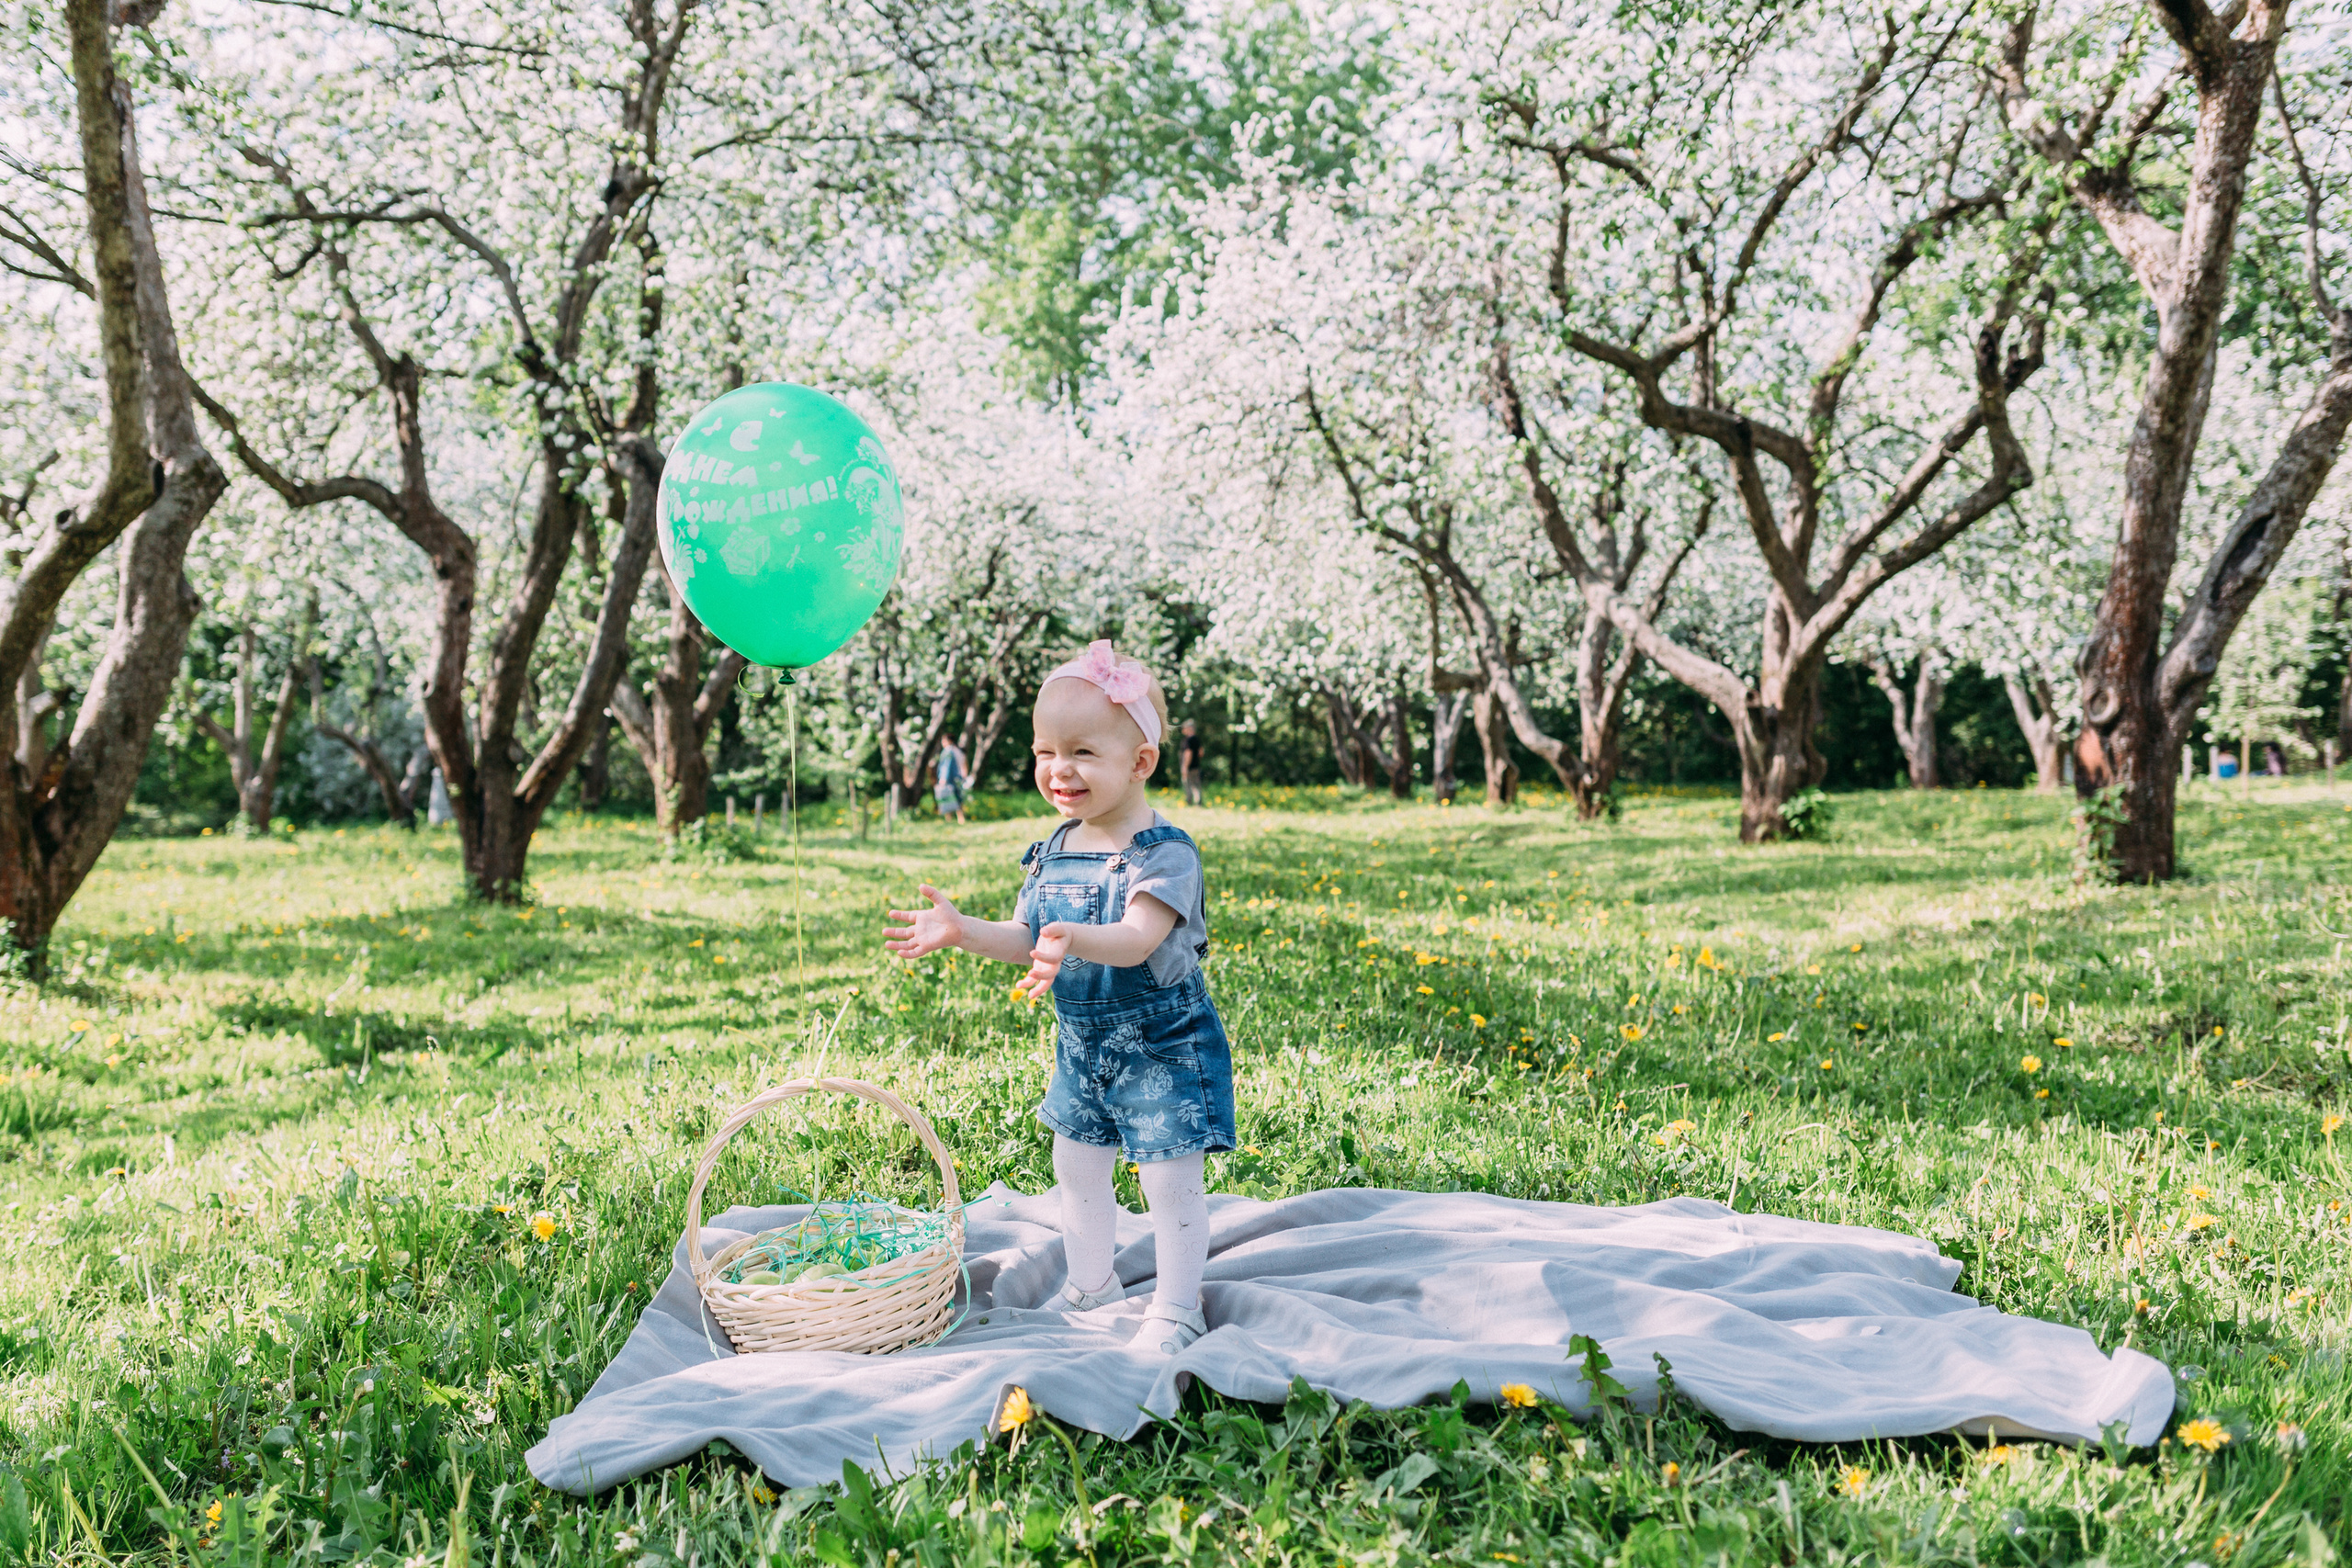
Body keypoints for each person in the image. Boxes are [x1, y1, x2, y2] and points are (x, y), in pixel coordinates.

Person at [882, 641, 1228, 1355]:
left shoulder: (1165, 853)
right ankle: (1093, 1281)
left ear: (1140, 763)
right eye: (1044, 751)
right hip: (1083, 1045)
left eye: (1081, 752)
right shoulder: (1055, 846)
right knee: (1075, 1167)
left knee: (1168, 1177)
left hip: (1161, 1041)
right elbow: (1025, 935)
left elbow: (1136, 938)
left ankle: (1176, 1303)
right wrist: (961, 930)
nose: (1057, 770)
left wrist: (1073, 934)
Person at [933, 739, 969, 823]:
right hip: (957, 777)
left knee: (948, 798)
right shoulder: (957, 751)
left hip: (949, 778)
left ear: (949, 740)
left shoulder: (948, 751)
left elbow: (946, 765)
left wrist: (943, 777)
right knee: (957, 798)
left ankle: (949, 819)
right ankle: (960, 819)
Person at [1178, 717, 1204, 807]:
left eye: (1184, 728)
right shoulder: (1197, 739)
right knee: (1196, 784)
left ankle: (1189, 802)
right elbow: (1201, 752)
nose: (1183, 730)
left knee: (1188, 784)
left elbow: (1188, 753)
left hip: (1189, 766)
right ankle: (1199, 803)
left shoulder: (1188, 740)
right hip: (1196, 766)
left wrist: (1185, 766)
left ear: (1190, 728)